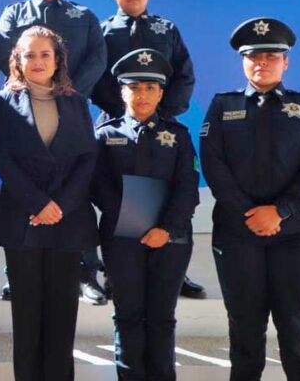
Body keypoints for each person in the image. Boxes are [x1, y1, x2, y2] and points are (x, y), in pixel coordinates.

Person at [200, 17, 300, 380]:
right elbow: (214, 167)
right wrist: (251, 214)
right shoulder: (221, 106)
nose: (262, 62)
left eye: (271, 56)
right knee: (244, 328)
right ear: (242, 61)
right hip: (238, 233)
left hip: (298, 233)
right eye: (253, 56)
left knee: (297, 328)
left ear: (286, 61)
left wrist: (281, 211)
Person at [0, 0, 106, 301]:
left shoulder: (83, 15)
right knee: (25, 185)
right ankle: (17, 273)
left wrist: (67, 91)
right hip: (25, 110)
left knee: (74, 188)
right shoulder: (13, 15)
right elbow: (3, 53)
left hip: (70, 111)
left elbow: (97, 59)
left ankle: (86, 274)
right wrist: (27, 87)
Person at [89, 0, 204, 304]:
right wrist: (123, 115)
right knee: (112, 196)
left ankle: (173, 269)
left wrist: (158, 114)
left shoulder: (165, 29)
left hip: (163, 127)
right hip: (114, 125)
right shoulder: (102, 31)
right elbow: (93, 78)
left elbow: (183, 76)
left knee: (164, 192)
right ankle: (113, 271)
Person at [0, 25, 98, 381]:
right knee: (27, 314)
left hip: (68, 220)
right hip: (23, 219)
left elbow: (87, 160)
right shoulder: (4, 102)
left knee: (62, 315)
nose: (37, 61)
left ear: (57, 59)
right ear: (17, 60)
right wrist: (38, 204)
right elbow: (3, 158)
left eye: (45, 54)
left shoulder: (78, 102)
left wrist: (60, 206)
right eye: (29, 54)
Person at [92, 48, 200, 380]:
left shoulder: (178, 136)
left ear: (161, 93)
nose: (142, 95)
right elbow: (97, 186)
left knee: (161, 317)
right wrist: (131, 219)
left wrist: (165, 229)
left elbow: (187, 187)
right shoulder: (105, 135)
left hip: (171, 239)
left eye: (150, 88)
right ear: (121, 91)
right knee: (127, 316)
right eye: (134, 87)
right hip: (122, 238)